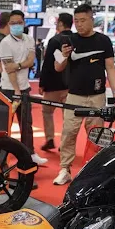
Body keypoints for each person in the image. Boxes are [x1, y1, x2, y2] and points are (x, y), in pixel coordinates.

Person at [53, 4, 115, 185]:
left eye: (83, 20)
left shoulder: (103, 41)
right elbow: (57, 67)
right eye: (76, 21)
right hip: (74, 95)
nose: (79, 24)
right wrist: (64, 56)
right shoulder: (68, 40)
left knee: (97, 134)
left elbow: (110, 67)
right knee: (69, 132)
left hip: (97, 95)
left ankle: (94, 170)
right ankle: (65, 169)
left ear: (92, 19)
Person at [0, 10, 46, 167]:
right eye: (12, 23)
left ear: (24, 23)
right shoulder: (5, 43)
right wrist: (17, 91)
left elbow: (31, 61)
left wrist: (18, 65)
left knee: (26, 124)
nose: (16, 25)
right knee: (5, 126)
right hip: (9, 89)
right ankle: (1, 159)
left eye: (19, 22)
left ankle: (29, 154)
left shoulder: (29, 39)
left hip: (25, 88)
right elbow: (9, 70)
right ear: (8, 24)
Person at [39, 12, 73, 152]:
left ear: (60, 23)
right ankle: (64, 143)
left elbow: (48, 63)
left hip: (53, 84)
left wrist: (42, 83)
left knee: (47, 112)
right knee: (68, 117)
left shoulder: (54, 41)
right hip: (71, 86)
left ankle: (50, 138)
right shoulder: (76, 40)